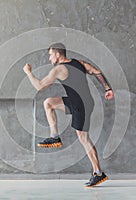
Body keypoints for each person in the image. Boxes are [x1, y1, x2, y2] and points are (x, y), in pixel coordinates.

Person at [23, 43, 114, 187]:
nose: (49, 58)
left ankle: (98, 173)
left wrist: (28, 72)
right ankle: (55, 137)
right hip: (76, 101)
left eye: (51, 55)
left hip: (81, 105)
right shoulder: (79, 63)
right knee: (49, 103)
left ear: (58, 54)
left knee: (83, 138)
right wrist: (107, 88)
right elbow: (96, 71)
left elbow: (39, 86)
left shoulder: (59, 69)